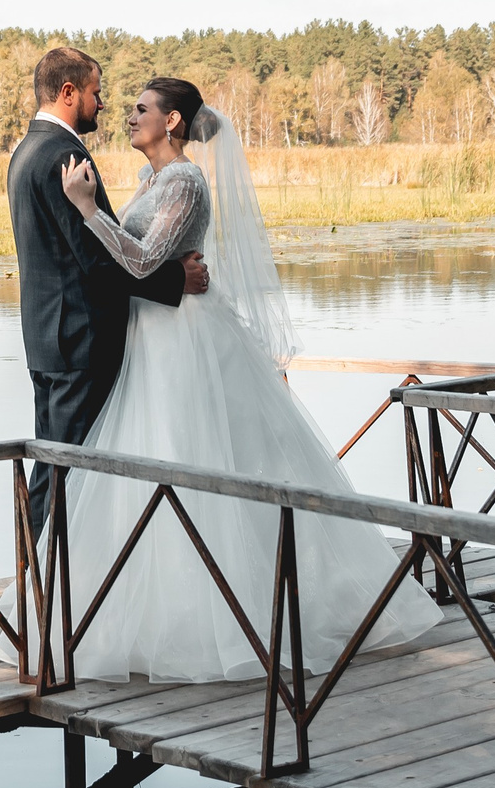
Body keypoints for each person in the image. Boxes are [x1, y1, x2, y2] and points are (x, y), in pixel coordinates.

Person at [51, 75, 438, 681]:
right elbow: (136, 256)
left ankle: (235, 611)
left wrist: (86, 209)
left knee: (195, 455)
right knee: (157, 456)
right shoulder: (151, 179)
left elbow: (142, 262)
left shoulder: (186, 181)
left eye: (141, 109)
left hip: (186, 336)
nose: (129, 116)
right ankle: (163, 607)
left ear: (171, 121)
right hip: (153, 334)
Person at [9, 46, 208, 540]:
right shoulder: (66, 155)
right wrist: (176, 280)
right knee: (69, 474)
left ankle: (41, 571)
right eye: (96, 93)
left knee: (53, 468)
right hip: (80, 340)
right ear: (69, 92)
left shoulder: (27, 150)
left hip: (47, 336)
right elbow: (96, 260)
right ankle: (48, 573)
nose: (104, 105)